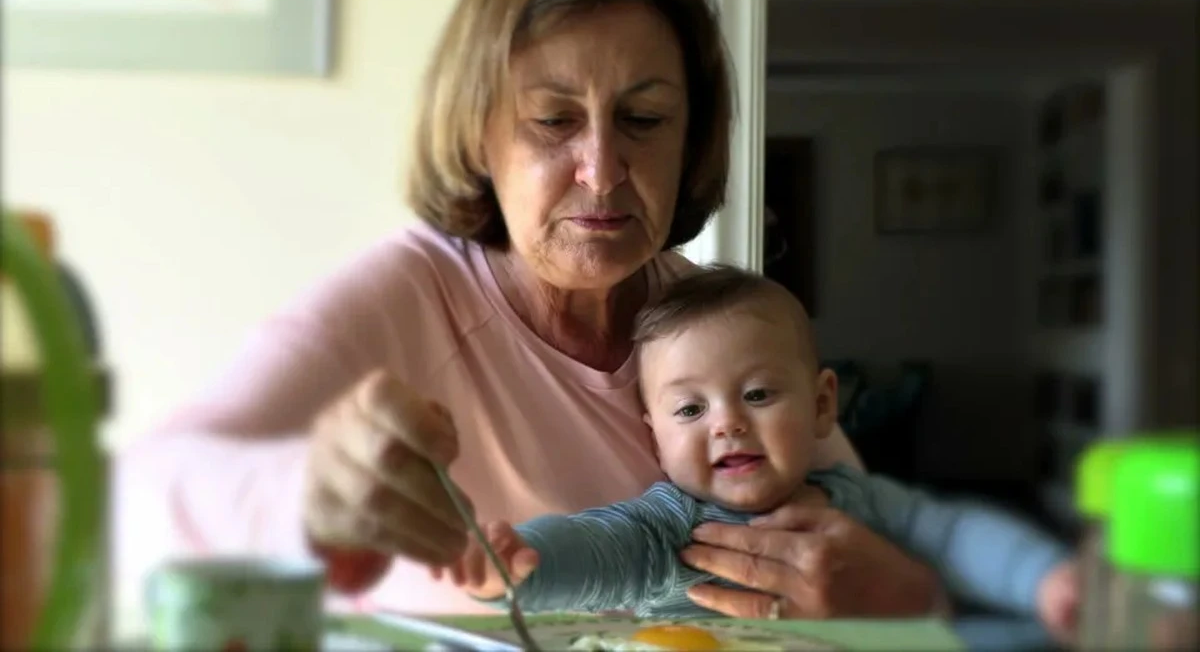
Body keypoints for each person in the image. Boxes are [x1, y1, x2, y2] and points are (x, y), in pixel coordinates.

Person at [116, 0, 943, 619]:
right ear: (479, 130)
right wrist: (304, 489)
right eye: (552, 120)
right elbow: (138, 496)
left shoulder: (721, 322)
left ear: (692, 141)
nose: (602, 169)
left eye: (645, 119)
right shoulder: (412, 292)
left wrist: (895, 591)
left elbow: (878, 547)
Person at [432, 266, 1081, 640]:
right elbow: (599, 547)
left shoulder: (858, 501)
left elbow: (957, 532)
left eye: (759, 393)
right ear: (653, 432)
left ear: (823, 404)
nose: (728, 424)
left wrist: (1046, 578)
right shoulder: (669, 528)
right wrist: (521, 563)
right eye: (691, 409)